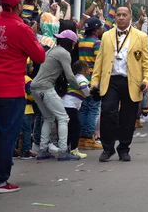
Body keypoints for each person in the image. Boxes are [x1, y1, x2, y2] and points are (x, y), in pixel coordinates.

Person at [0, 0, 46, 194]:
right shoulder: (21, 28)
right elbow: (40, 56)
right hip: (10, 89)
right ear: (18, 6)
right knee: (7, 135)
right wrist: (32, 35)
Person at [90, 6, 148, 162]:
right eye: (118, 15)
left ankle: (124, 148)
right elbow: (100, 60)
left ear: (130, 16)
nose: (121, 18)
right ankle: (108, 148)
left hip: (131, 81)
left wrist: (147, 80)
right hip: (111, 80)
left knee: (128, 117)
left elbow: (146, 62)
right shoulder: (106, 36)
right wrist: (95, 81)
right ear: (115, 17)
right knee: (108, 112)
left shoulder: (141, 36)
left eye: (124, 15)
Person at [31, 30, 82, 162]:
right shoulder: (64, 53)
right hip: (45, 87)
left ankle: (43, 150)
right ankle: (63, 151)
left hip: (35, 87)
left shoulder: (52, 50)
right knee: (63, 118)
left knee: (48, 118)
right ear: (72, 43)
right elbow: (70, 76)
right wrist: (81, 87)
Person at [77, 17, 104, 151]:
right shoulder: (97, 43)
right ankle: (89, 138)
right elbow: (100, 62)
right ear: (96, 29)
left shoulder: (81, 41)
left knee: (84, 108)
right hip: (93, 80)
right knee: (93, 109)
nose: (102, 29)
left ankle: (82, 138)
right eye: (100, 27)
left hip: (81, 80)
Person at [62, 61, 91, 159]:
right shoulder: (82, 79)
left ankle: (65, 147)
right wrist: (89, 93)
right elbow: (83, 87)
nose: (89, 70)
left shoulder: (76, 77)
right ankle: (74, 149)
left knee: (70, 128)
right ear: (83, 70)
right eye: (88, 68)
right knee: (76, 128)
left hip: (67, 104)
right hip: (71, 105)